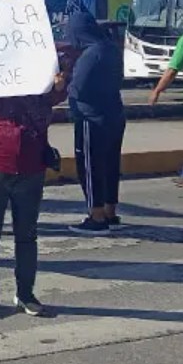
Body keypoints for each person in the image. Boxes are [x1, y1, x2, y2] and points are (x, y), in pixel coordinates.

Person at [0, 48, 72, 318]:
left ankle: (25, 293)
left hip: (31, 164)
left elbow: (52, 97)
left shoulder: (38, 61)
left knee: (26, 235)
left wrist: (60, 86)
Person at [66, 12, 127, 235]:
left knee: (90, 168)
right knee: (110, 166)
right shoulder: (110, 48)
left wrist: (63, 82)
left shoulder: (91, 54)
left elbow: (77, 88)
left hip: (91, 118)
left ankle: (96, 216)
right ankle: (110, 211)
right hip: (114, 114)